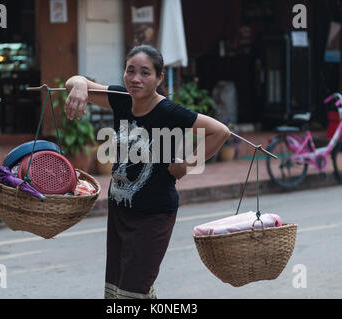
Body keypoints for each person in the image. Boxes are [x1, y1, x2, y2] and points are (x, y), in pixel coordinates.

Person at [65, 45, 230, 299]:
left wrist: (186, 164)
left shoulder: (169, 112)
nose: (136, 79)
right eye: (130, 71)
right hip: (120, 211)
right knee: (121, 291)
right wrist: (77, 85)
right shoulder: (121, 99)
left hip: (153, 216)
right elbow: (76, 82)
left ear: (159, 78)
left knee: (131, 292)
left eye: (145, 73)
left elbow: (220, 131)